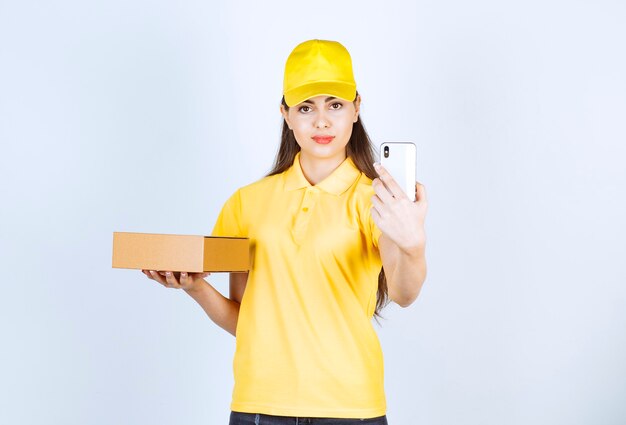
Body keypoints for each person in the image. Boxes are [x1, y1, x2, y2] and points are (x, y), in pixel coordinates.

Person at [142, 39, 428, 425]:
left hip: (350, 408)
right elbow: (246, 319)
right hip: (260, 406)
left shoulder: (374, 200)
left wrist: (412, 245)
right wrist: (195, 287)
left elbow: (404, 293)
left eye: (335, 105)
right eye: (305, 107)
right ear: (286, 114)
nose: (321, 121)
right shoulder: (247, 203)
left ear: (356, 108)